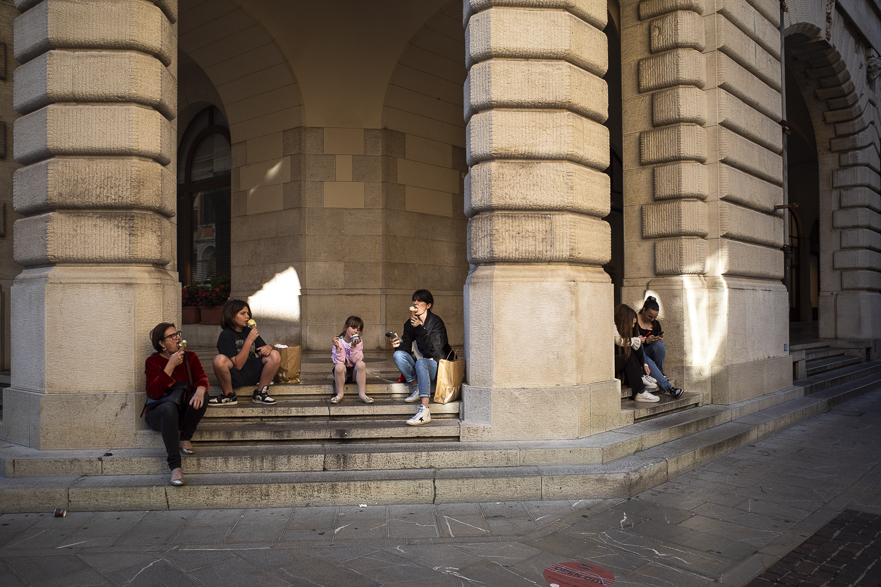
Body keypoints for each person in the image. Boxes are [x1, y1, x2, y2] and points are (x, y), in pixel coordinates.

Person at [144, 323, 209, 486]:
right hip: (159, 414)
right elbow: (153, 392)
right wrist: (170, 366)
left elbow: (202, 377)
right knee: (168, 408)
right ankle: (175, 467)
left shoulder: (190, 357)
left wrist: (201, 389)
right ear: (162, 343)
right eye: (172, 336)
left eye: (177, 334)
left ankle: (185, 436)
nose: (177, 337)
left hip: (182, 412)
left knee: (203, 395)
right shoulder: (153, 361)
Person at [392, 289, 452, 426]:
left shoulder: (436, 322)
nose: (415, 303)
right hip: (421, 365)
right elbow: (405, 348)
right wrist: (397, 344)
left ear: (428, 305)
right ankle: (417, 386)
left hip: (437, 365)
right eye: (414, 300)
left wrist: (419, 329)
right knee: (398, 355)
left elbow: (432, 351)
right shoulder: (410, 323)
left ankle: (424, 410)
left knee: (422, 363)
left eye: (419, 301)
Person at [211, 299, 281, 406]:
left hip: (252, 372)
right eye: (242, 313)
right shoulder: (226, 335)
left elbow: (263, 351)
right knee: (219, 360)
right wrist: (249, 341)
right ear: (232, 316)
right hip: (235, 375)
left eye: (248, 313)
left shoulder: (249, 331)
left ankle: (260, 392)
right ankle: (229, 395)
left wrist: (268, 348)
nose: (247, 317)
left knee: (275, 355)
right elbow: (238, 365)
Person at [637, 296, 683, 398]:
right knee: (646, 359)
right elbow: (636, 343)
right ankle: (668, 387)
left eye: (654, 317)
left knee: (659, 345)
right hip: (639, 353)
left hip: (649, 352)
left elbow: (657, 344)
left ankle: (659, 373)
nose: (652, 319)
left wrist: (657, 339)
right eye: (650, 316)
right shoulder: (635, 321)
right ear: (644, 310)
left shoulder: (655, 324)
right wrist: (646, 340)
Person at [614, 304, 659, 402]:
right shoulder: (612, 326)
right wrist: (636, 340)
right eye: (632, 323)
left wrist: (644, 364)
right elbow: (618, 341)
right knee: (627, 354)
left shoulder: (623, 329)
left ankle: (641, 376)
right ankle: (640, 389)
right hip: (607, 365)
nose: (633, 326)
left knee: (634, 346)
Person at [331, 315, 373, 404]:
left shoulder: (359, 342)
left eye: (358, 329)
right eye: (353, 327)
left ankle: (362, 394)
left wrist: (353, 347)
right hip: (343, 374)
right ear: (345, 327)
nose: (355, 331)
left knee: (361, 364)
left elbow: (357, 361)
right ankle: (340, 394)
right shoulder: (338, 341)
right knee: (339, 366)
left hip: (354, 373)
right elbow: (340, 361)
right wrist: (338, 348)